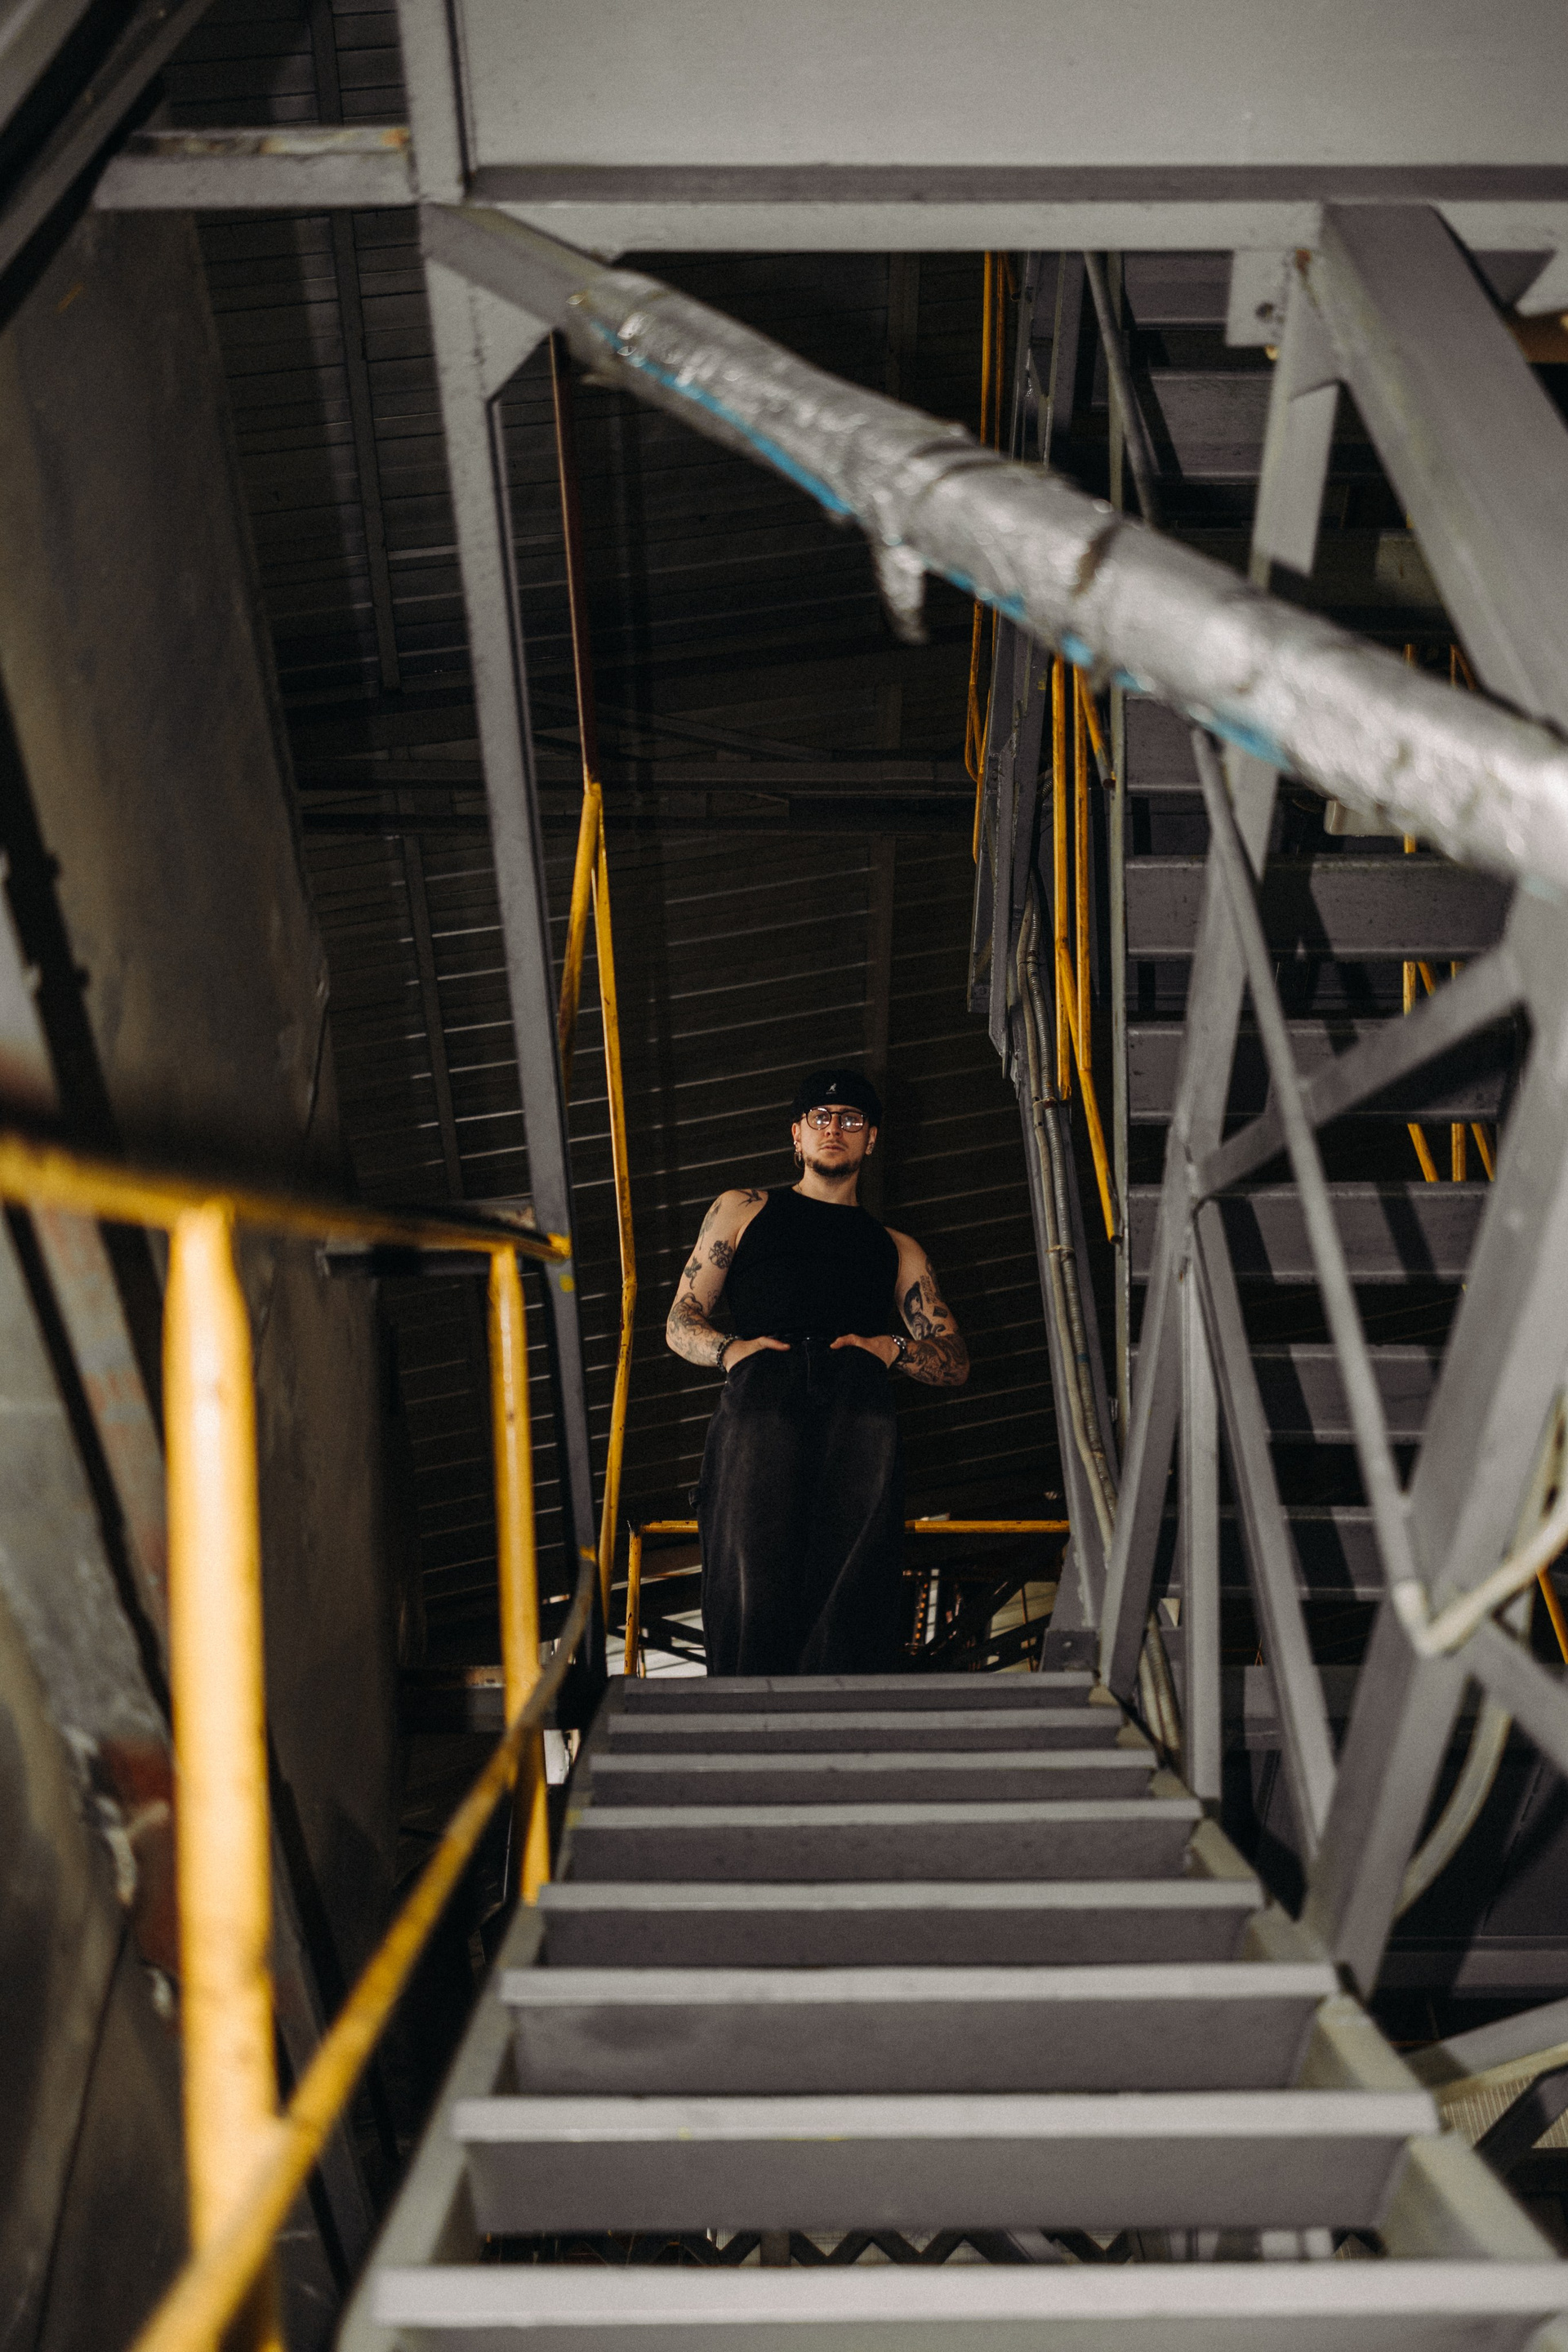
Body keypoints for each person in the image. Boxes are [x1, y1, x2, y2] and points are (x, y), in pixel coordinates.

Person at [665, 1067, 969, 1676]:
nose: (834, 1128)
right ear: (797, 1135)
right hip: (763, 1393)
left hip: (857, 1401)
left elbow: (954, 1360)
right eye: (820, 1118)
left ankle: (841, 1706)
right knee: (751, 1561)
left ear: (871, 1139)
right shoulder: (743, 1208)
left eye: (851, 1119)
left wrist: (893, 1350)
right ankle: (745, 1706)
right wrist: (730, 1352)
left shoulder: (897, 1248)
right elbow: (680, 1318)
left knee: (854, 1571)